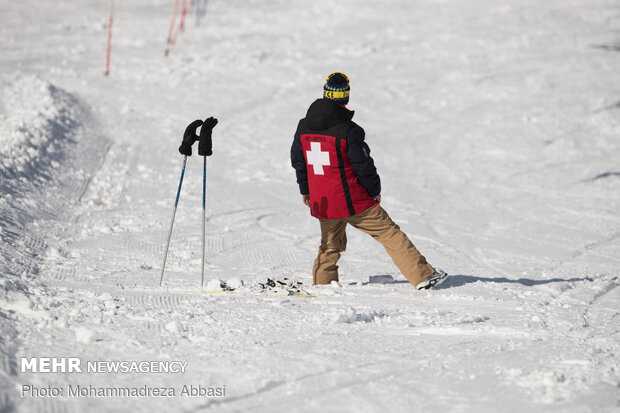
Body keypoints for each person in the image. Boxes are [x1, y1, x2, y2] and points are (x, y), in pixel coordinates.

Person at [290, 72, 447, 290]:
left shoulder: (303, 127)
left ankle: (323, 285)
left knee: (329, 244)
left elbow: (299, 161)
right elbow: (363, 165)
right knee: (389, 233)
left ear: (325, 94)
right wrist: (374, 190)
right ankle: (422, 276)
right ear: (345, 98)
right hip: (354, 201)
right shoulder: (349, 130)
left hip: (324, 200)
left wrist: (306, 190)